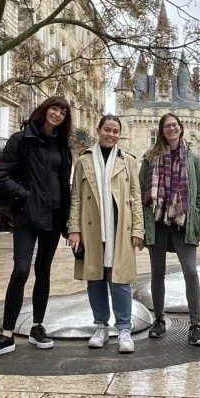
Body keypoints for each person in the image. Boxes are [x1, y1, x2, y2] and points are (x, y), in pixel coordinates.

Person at [0, 97, 72, 360]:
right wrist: (24, 194)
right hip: (27, 216)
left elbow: (64, 186)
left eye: (63, 111)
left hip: (53, 217)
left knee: (44, 271)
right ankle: (6, 335)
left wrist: (68, 222)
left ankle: (37, 327)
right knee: (20, 270)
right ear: (44, 111)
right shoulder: (21, 139)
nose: (58, 113)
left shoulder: (63, 146)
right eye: (54, 108)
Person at [68, 114, 144, 354]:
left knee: (120, 280)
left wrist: (138, 229)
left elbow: (135, 196)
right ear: (99, 130)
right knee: (95, 279)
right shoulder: (84, 160)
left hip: (120, 227)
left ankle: (124, 328)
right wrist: (74, 229)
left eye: (115, 131)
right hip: (92, 227)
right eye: (107, 130)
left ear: (119, 134)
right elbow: (76, 197)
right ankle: (100, 325)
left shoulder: (128, 161)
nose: (111, 134)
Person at [139, 112, 200, 346]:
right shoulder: (150, 158)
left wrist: (199, 224)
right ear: (161, 130)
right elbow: (140, 194)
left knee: (191, 272)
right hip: (157, 223)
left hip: (183, 223)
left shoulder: (193, 159)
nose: (171, 129)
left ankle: (195, 325)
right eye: (167, 126)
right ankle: (159, 320)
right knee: (157, 273)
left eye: (175, 125)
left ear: (181, 127)